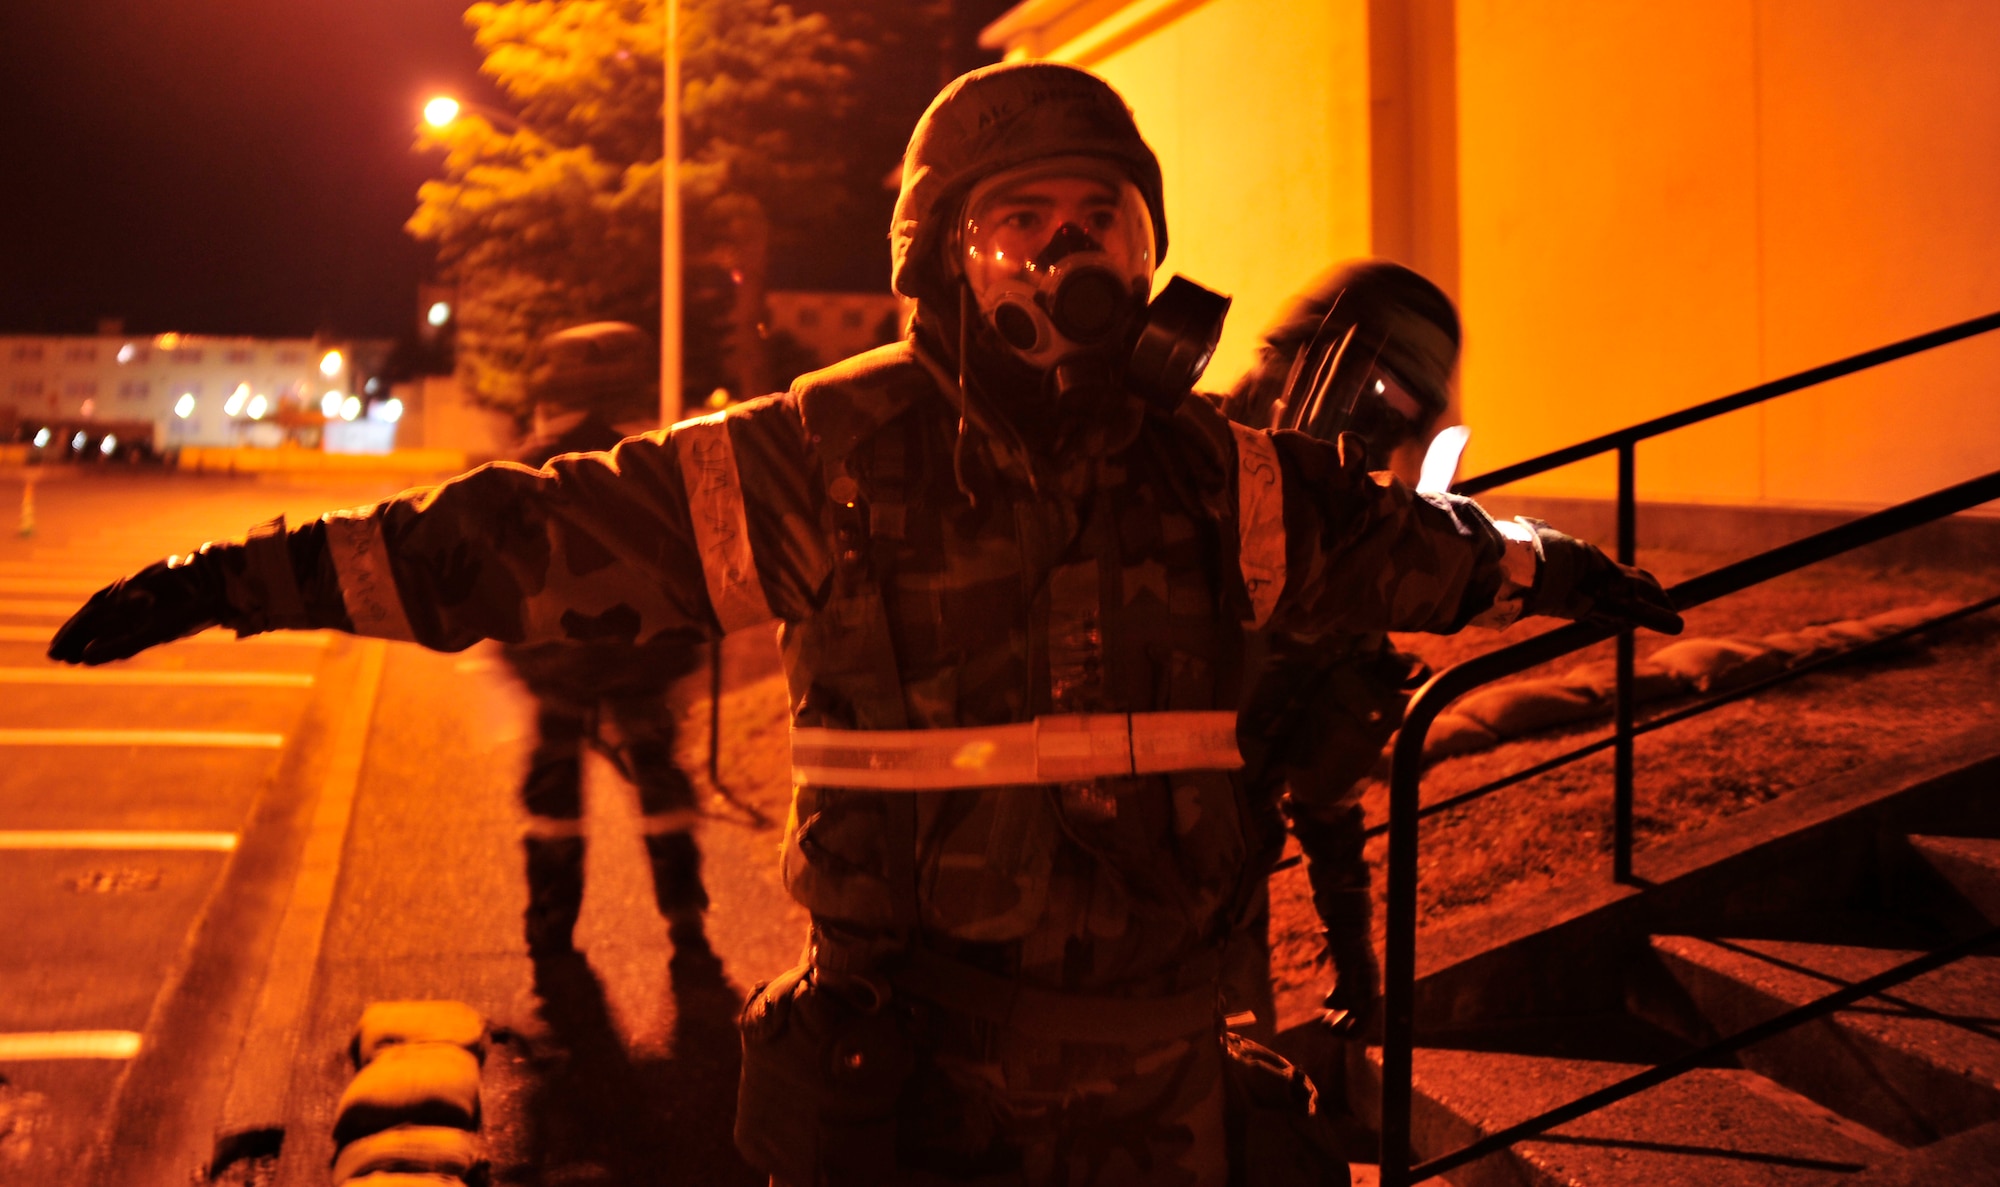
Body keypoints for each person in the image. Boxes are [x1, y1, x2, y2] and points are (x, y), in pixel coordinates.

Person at [49, 61, 1680, 1187]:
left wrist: (1555, 568)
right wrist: (235, 581)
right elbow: (524, 542)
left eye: (1101, 223)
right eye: (1022, 221)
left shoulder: (1216, 476)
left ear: (1150, 251)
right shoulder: (831, 458)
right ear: (934, 253)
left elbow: (1407, 547)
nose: (1070, 258)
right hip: (913, 1102)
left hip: (1169, 1100)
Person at [1217, 262, 1462, 1046]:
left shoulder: (1340, 524)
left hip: (1222, 885)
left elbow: (1330, 764)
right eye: (1372, 387)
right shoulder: (1168, 457)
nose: (1374, 421)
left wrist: (1354, 954)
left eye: (1399, 404)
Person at [502, 322, 712, 962]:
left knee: (554, 801)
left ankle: (550, 928)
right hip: (642, 661)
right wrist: (685, 651)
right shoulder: (653, 460)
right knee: (660, 787)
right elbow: (692, 562)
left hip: (559, 663)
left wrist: (525, 660)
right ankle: (684, 920)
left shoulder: (526, 465)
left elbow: (495, 573)